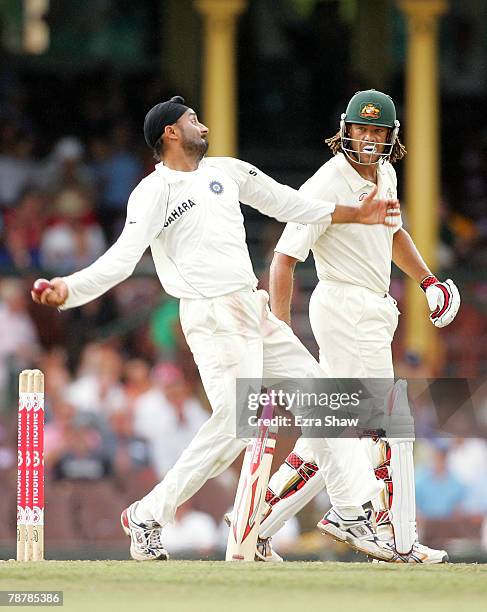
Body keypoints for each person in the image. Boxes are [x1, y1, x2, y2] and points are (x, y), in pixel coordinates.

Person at [32, 95, 401, 562]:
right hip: (211, 316)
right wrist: (69, 288)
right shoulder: (153, 192)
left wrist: (356, 214)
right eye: (192, 120)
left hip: (254, 308)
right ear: (170, 133)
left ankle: (351, 512)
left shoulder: (226, 171)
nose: (202, 125)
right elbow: (122, 260)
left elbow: (290, 204)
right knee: (236, 425)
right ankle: (148, 514)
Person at [258, 89, 461, 563]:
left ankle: (256, 523)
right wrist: (283, 333)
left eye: (378, 131)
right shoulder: (325, 184)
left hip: (372, 309)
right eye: (361, 129)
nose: (369, 139)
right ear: (344, 130)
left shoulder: (386, 173)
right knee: (386, 426)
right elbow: (284, 261)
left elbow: (394, 234)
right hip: (345, 309)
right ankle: (392, 538)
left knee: (328, 429)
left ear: (392, 137)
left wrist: (428, 280)